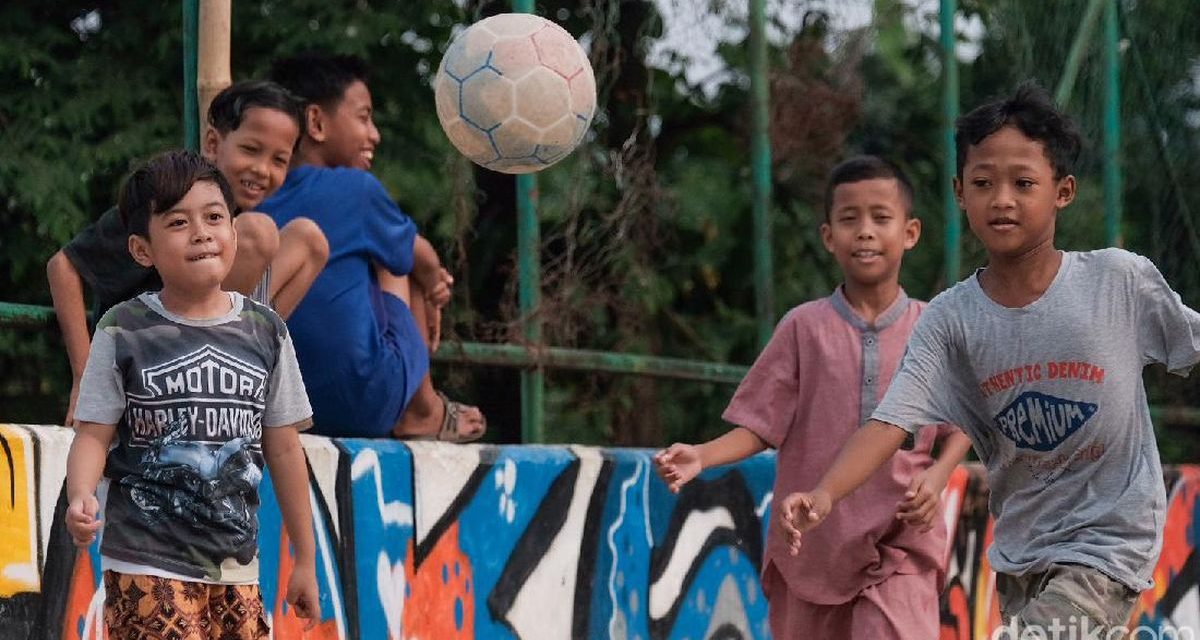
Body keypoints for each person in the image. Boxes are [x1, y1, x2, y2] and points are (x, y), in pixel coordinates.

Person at [779, 82, 1200, 638]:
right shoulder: (952, 320)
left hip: (1111, 540)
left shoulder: (1117, 281)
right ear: (959, 192)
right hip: (1023, 547)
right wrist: (825, 492)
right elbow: (889, 422)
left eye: (1023, 183)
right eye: (983, 183)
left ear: (1063, 191)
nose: (1002, 198)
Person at [654, 155, 972, 639]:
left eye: (880, 218)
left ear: (910, 233)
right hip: (809, 544)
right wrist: (702, 455)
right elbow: (761, 426)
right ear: (828, 237)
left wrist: (939, 473)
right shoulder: (804, 328)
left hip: (901, 544)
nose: (865, 231)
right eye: (849, 219)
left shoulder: (934, 330)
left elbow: (965, 422)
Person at [63, 150, 319, 637]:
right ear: (143, 250)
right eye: (178, 222)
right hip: (145, 558)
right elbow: (93, 434)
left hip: (237, 566)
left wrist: (304, 559)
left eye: (214, 217)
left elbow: (284, 447)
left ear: (234, 233)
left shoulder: (266, 331)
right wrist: (80, 495)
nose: (201, 232)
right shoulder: (122, 329)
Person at [46, 80, 329, 427]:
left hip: (218, 345)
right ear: (213, 143)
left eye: (279, 160)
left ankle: (241, 368)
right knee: (259, 233)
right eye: (251, 149)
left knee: (309, 239)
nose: (262, 169)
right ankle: (204, 368)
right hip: (152, 356)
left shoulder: (232, 222)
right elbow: (62, 266)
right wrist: (85, 377)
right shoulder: (167, 196)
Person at [259, 52, 486, 441]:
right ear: (316, 122)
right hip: (362, 402)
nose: (374, 134)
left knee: (384, 245)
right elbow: (423, 256)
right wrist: (433, 284)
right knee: (398, 258)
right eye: (363, 118)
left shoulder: (248, 202)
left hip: (278, 408)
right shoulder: (356, 189)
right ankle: (423, 410)